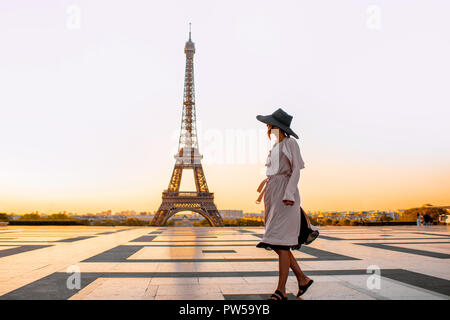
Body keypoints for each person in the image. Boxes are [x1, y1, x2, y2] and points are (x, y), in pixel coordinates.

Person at [255, 108, 313, 301]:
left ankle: (281, 290)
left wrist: (288, 193)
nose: (266, 126)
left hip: (285, 195)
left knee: (280, 241)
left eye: (268, 123)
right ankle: (302, 279)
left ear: (275, 126)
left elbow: (296, 169)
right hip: (273, 193)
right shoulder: (275, 146)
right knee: (279, 242)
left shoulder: (290, 143)